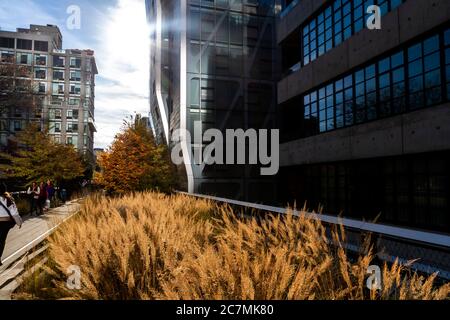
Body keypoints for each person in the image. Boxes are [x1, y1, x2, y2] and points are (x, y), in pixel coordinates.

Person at [0, 183, 23, 266]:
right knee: (1, 240)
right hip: (5, 223)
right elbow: (14, 214)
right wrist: (19, 222)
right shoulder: (9, 199)